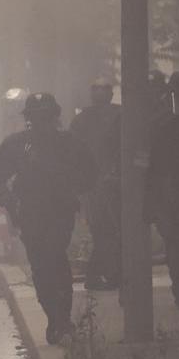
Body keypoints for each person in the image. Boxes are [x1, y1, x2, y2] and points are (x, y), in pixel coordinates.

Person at [0, 92, 95, 345]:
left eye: (46, 117)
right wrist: (9, 200)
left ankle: (62, 320)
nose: (41, 123)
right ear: (29, 120)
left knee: (56, 260)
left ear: (54, 117)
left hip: (60, 212)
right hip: (30, 214)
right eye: (37, 118)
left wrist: (72, 189)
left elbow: (90, 172)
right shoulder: (17, 144)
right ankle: (55, 318)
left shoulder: (68, 143)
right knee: (41, 267)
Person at [70, 78, 123, 291]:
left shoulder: (120, 115)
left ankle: (109, 274)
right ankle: (106, 274)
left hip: (111, 183)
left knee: (109, 231)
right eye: (97, 89)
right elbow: (73, 154)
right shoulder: (83, 120)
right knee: (107, 231)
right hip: (98, 185)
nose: (101, 93)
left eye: (104, 89)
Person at [150, 70, 179, 310]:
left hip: (176, 201)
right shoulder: (165, 128)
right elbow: (154, 170)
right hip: (175, 200)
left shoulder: (164, 127)